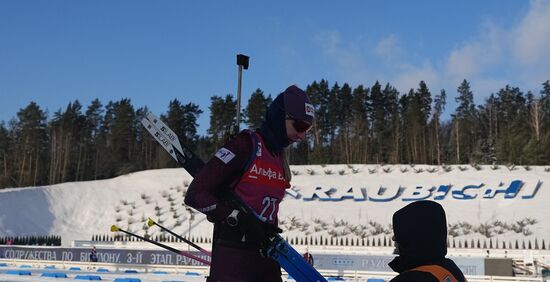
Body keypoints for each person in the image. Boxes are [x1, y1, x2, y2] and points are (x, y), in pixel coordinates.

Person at [184, 85, 314, 282]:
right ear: (281, 117)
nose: (303, 135)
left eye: (308, 129)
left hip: (266, 262)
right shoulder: (244, 145)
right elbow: (195, 194)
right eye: (300, 126)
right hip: (233, 264)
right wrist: (232, 217)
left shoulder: (279, 157)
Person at [389, 200, 467, 282]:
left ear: (414, 236)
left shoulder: (413, 278)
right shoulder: (449, 269)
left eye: (399, 233)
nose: (394, 238)